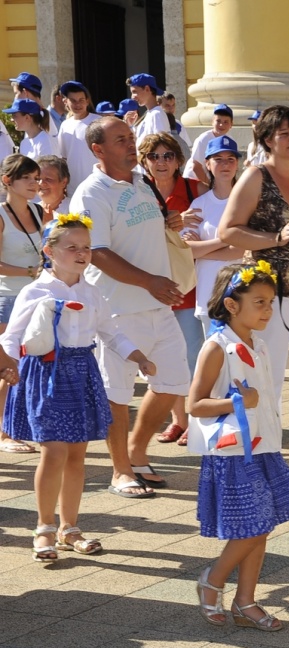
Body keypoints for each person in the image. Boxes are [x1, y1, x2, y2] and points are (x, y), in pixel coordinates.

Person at [1, 214, 154, 561]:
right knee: (53, 452)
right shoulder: (36, 290)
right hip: (46, 372)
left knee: (76, 456)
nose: (81, 253)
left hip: (82, 372)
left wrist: (139, 357)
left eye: (86, 247)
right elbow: (12, 336)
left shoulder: (93, 292)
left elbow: (111, 332)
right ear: (49, 251)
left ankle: (70, 528)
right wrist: (8, 366)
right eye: (72, 247)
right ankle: (44, 528)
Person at [70, 116, 191, 498]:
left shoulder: (143, 183)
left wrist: (167, 221)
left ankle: (137, 451)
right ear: (98, 150)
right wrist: (150, 282)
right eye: (121, 139)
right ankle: (120, 471)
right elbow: (98, 253)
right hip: (116, 309)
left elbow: (140, 232)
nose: (130, 144)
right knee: (117, 393)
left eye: (131, 137)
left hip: (158, 305)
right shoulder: (91, 192)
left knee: (174, 382)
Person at [189, 262, 289, 631]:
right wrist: (238, 402)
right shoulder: (217, 347)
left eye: (271, 302)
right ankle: (213, 579)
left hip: (263, 446)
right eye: (259, 302)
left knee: (262, 523)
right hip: (233, 450)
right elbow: (195, 404)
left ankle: (245, 600)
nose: (268, 311)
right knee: (253, 526)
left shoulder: (256, 344)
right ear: (231, 304)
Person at [218, 105, 289, 458]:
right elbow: (228, 231)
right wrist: (276, 238)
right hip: (265, 298)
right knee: (267, 379)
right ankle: (266, 454)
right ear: (267, 138)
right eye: (284, 133)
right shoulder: (255, 176)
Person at [138, 132, 207, 446]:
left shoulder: (196, 190)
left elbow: (221, 216)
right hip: (150, 286)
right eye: (154, 156)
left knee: (192, 355)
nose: (161, 162)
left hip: (188, 285)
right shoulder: (138, 191)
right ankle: (178, 420)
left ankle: (196, 419)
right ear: (144, 161)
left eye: (167, 155)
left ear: (179, 160)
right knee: (164, 358)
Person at [0, 155, 45, 454]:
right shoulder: (1, 215)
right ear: (7, 181)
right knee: (8, 366)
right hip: (8, 297)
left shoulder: (39, 211)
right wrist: (30, 271)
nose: (34, 183)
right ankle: (4, 434)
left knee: (28, 364)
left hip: (37, 297)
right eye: (26, 178)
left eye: (36, 177)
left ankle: (14, 427)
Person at [187, 136, 243, 332]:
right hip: (208, 293)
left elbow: (239, 251)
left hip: (242, 292)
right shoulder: (199, 204)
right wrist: (226, 239)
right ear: (208, 164)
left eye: (230, 159)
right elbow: (188, 251)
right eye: (218, 159)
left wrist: (203, 249)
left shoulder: (247, 202)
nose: (225, 164)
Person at [57, 81, 100, 195]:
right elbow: (64, 158)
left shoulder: (98, 122)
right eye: (73, 101)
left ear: (87, 101)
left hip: (97, 186)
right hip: (73, 188)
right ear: (65, 101)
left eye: (81, 100)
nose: (77, 104)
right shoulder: (65, 125)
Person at [185, 104, 234, 184]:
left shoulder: (229, 141)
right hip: (194, 181)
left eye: (226, 122)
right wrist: (210, 187)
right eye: (218, 121)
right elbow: (196, 167)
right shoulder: (203, 139)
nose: (221, 125)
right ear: (212, 122)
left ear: (231, 124)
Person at [9, 72, 58, 136]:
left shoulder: (39, 117)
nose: (15, 98)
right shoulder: (38, 114)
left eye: (16, 93)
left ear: (25, 92)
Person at [127, 73, 168, 144]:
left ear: (147, 89)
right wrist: (131, 126)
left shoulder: (156, 114)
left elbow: (161, 145)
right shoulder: (149, 114)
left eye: (134, 92)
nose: (132, 97)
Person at [35, 155, 69, 222]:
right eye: (38, 179)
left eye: (48, 179)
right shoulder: (30, 211)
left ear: (64, 182)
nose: (41, 183)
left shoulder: (74, 208)